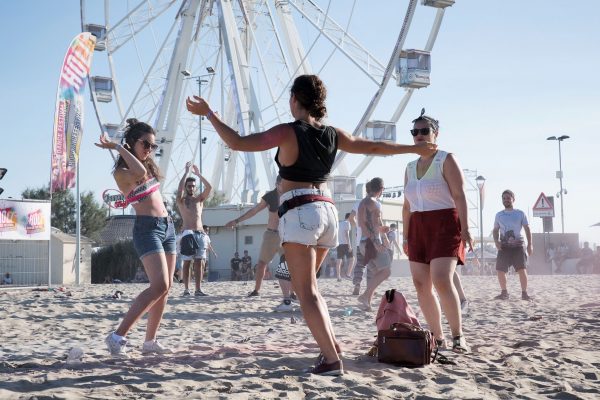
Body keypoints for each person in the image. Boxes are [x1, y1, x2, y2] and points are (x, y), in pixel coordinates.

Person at [186, 74, 436, 376]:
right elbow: (373, 147)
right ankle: (331, 345)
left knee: (305, 292)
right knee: (312, 289)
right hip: (327, 211)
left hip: (300, 211)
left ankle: (331, 360)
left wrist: (209, 114)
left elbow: (238, 142)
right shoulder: (333, 133)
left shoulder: (288, 131)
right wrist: (414, 149)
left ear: (295, 100)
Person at [95, 119, 175, 357]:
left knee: (165, 289)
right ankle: (117, 336)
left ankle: (150, 341)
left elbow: (147, 174)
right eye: (146, 144)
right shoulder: (121, 173)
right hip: (147, 229)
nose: (150, 149)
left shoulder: (148, 166)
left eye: (153, 145)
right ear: (131, 143)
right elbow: (138, 172)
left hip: (167, 227)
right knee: (158, 285)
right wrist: (118, 147)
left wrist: (133, 150)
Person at [402, 109, 472, 353]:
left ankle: (458, 335)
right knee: (421, 284)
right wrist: (405, 235)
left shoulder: (446, 159)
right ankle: (437, 336)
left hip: (445, 223)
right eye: (415, 132)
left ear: (435, 134)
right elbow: (407, 205)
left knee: (442, 279)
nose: (419, 136)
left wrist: (466, 229)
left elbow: (460, 195)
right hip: (418, 227)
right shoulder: (410, 167)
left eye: (424, 131)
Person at [226, 176, 289, 303]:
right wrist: (236, 221)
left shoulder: (291, 195)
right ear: (277, 184)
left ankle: (292, 294)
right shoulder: (270, 196)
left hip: (287, 236)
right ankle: (256, 290)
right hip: (271, 235)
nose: (286, 186)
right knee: (261, 264)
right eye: (283, 184)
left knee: (289, 266)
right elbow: (254, 210)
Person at [356, 178, 393, 311]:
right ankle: (365, 296)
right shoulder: (374, 204)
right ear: (381, 189)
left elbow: (364, 224)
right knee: (386, 271)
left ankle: (367, 303)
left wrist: (384, 233)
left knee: (376, 273)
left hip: (363, 243)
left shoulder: (363, 203)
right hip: (371, 243)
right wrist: (377, 241)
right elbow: (374, 226)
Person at [176, 162, 212, 296]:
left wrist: (198, 174)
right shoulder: (182, 200)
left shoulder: (199, 199)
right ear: (186, 187)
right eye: (189, 186)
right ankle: (186, 289)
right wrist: (186, 173)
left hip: (200, 233)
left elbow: (209, 187)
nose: (191, 188)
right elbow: (179, 191)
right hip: (187, 233)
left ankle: (198, 289)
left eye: (193, 186)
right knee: (186, 262)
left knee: (199, 262)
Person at [492, 190, 533, 301]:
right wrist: (496, 241)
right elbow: (495, 230)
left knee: (522, 269)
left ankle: (524, 293)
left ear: (513, 199)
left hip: (518, 246)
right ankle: (504, 293)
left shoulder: (520, 213)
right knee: (500, 270)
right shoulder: (499, 215)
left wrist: (530, 245)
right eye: (504, 198)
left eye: (508, 198)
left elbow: (527, 229)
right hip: (503, 247)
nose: (506, 200)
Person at [335, 213, 354, 280]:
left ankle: (338, 276)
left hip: (339, 244)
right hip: (345, 244)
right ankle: (348, 274)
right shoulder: (347, 223)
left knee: (339, 261)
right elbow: (347, 235)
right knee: (352, 259)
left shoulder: (339, 223)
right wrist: (349, 245)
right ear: (349, 217)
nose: (353, 219)